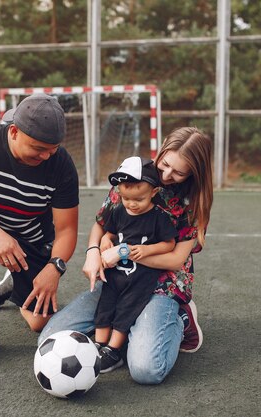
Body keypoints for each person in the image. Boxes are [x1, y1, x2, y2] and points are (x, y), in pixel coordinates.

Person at [39, 126, 213, 384]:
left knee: (146, 370)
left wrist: (123, 253)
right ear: (163, 148)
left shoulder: (193, 200)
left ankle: (181, 319)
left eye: (178, 172)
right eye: (165, 164)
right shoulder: (133, 174)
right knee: (50, 338)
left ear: (194, 172)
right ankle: (127, 329)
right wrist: (93, 252)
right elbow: (101, 223)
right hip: (118, 279)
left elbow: (176, 259)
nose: (166, 175)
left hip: (160, 283)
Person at [0, 93, 79, 369]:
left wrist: (54, 268)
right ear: (13, 131)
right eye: (38, 148)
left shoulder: (62, 165)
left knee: (38, 323)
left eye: (52, 149)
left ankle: (14, 284)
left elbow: (67, 229)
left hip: (33, 242)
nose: (46, 156)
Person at [93, 156, 177, 373]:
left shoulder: (159, 217)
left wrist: (148, 249)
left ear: (154, 193)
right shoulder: (119, 210)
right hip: (114, 275)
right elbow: (109, 231)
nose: (132, 204)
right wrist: (104, 239)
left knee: (125, 311)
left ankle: (113, 350)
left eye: (138, 199)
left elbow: (169, 243)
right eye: (126, 198)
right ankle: (98, 345)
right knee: (104, 308)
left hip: (140, 279)